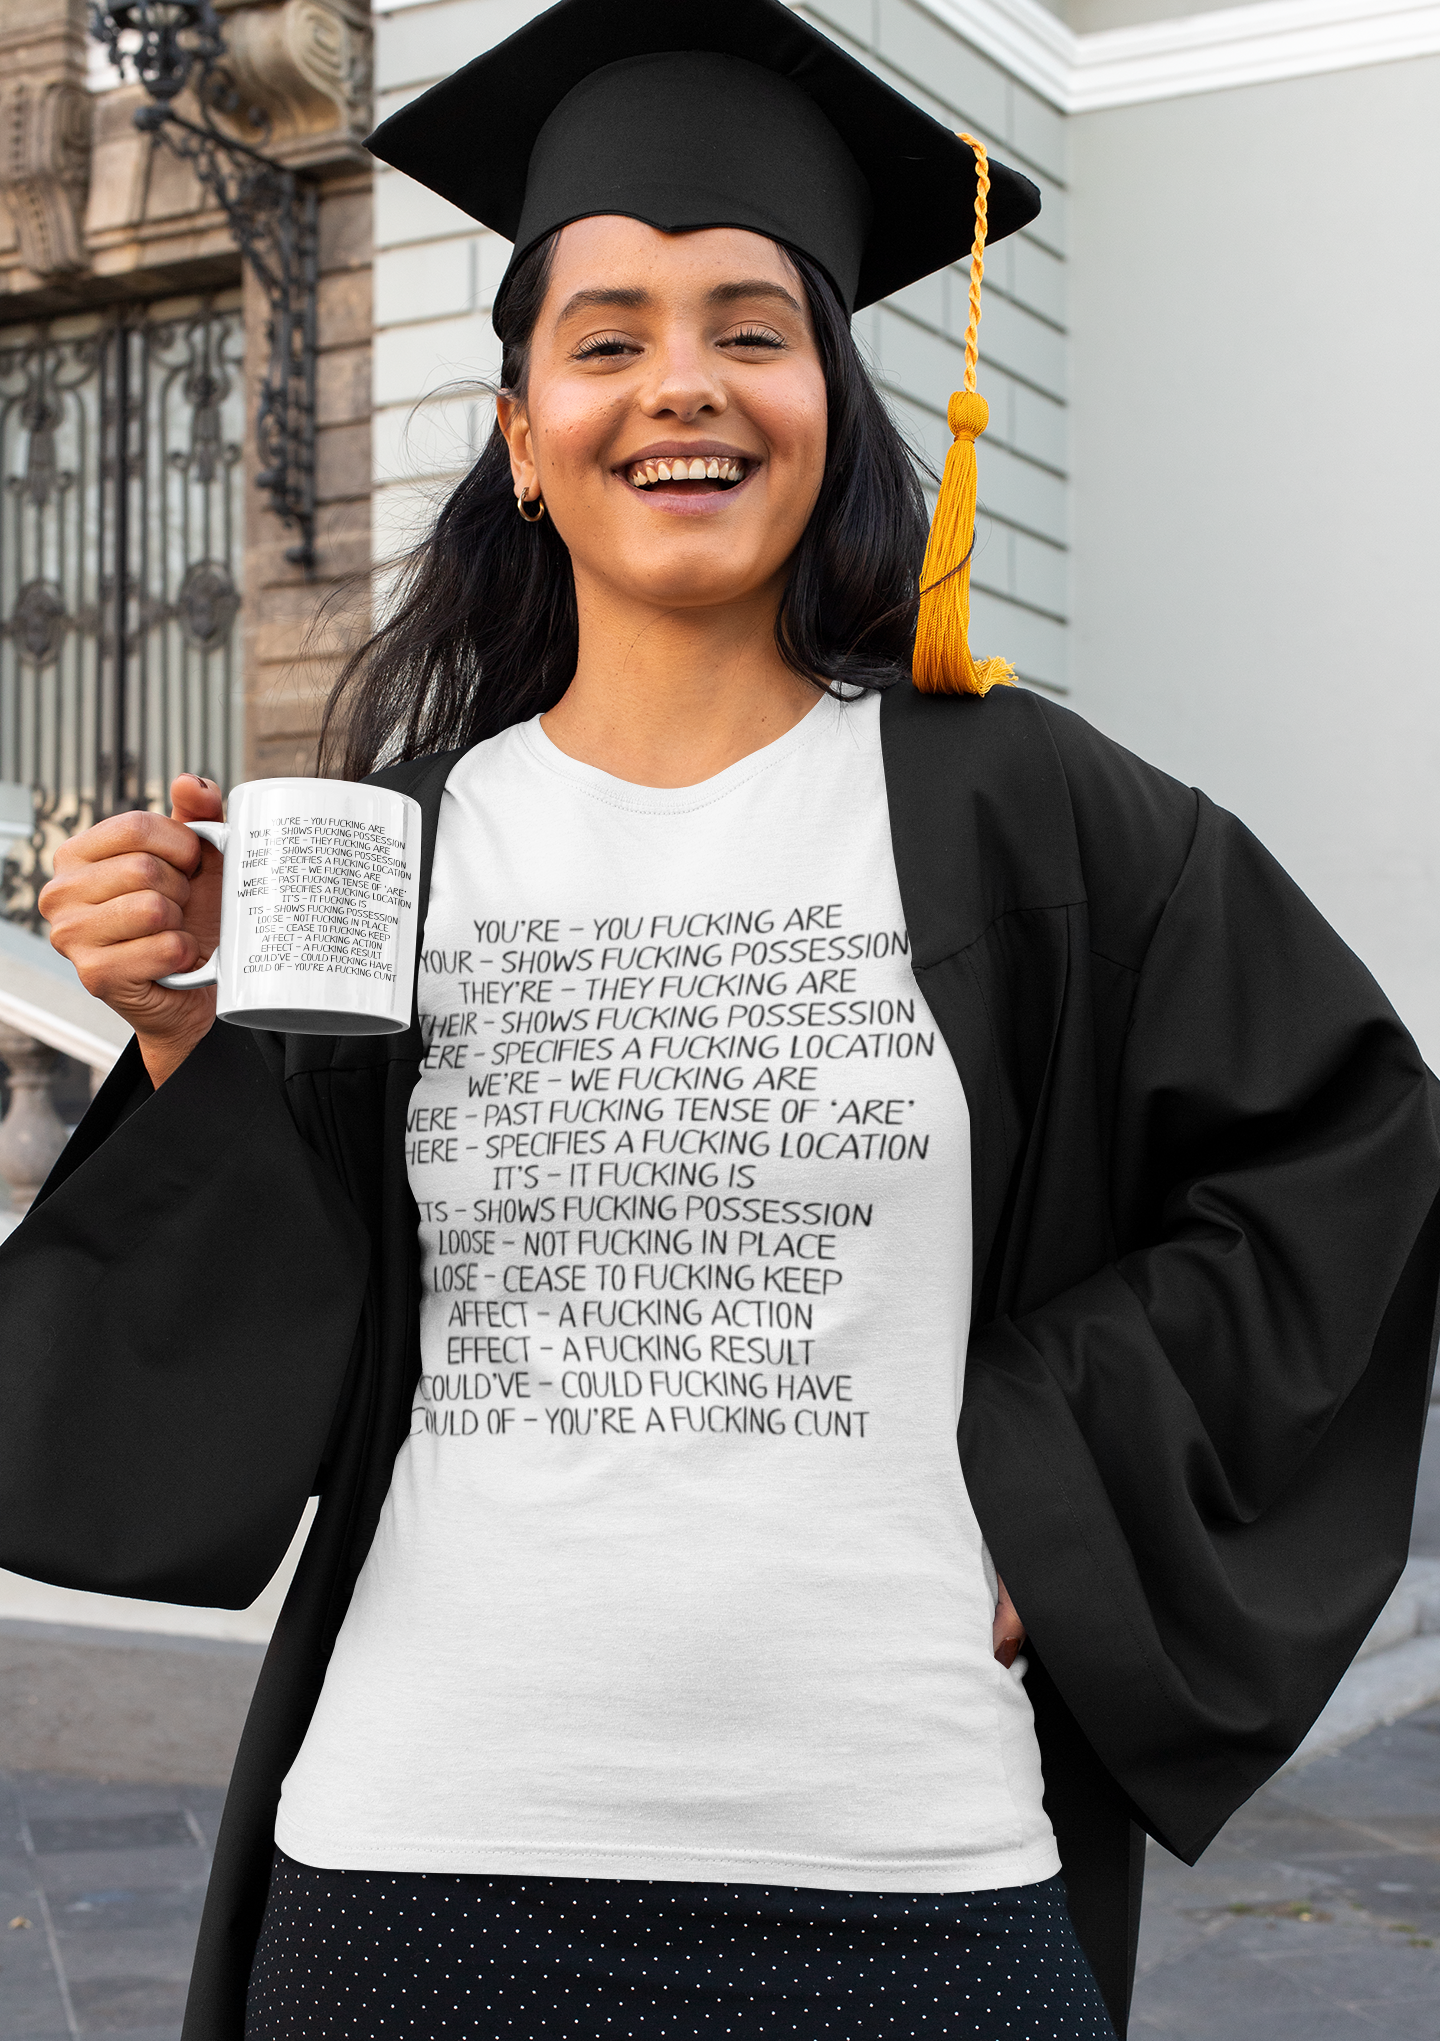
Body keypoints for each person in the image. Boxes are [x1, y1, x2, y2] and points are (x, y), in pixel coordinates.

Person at [4, 1, 1437, 2037]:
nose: (684, 385)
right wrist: (176, 1035)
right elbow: (266, 1363)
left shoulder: (1024, 809)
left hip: (908, 1872)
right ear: (522, 430)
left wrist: (1060, 1474)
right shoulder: (387, 853)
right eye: (607, 337)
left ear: (833, 397)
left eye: (753, 329)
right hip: (423, 1866)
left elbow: (1351, 1160)